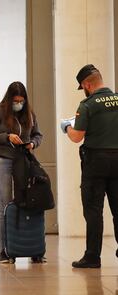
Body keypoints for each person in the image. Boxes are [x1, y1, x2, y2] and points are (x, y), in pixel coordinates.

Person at [60, 64, 118, 268]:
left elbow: (77, 137)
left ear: (86, 84)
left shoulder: (88, 105)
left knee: (93, 211)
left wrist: (66, 126)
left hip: (96, 163)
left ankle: (92, 256)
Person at [0, 81, 43, 264]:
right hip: (4, 162)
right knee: (6, 205)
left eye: (21, 100)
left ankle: (33, 248)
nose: (18, 103)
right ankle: (4, 251)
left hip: (25, 162)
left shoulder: (29, 114)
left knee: (31, 202)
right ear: (9, 99)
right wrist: (6, 137)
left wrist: (33, 143)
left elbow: (38, 135)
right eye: (15, 100)